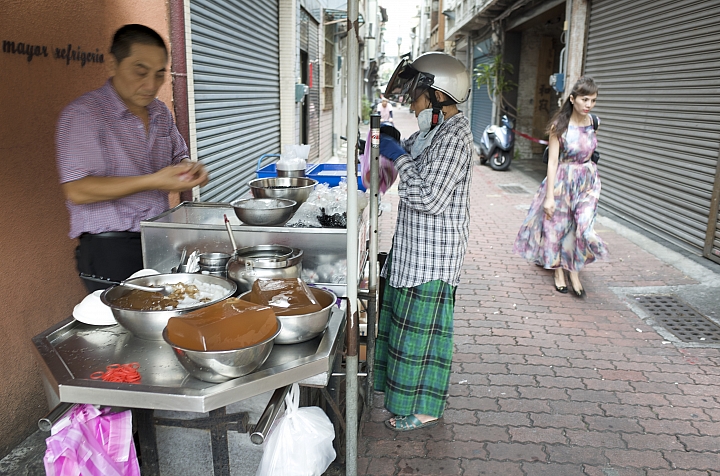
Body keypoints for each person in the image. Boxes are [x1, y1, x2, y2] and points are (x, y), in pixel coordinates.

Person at [56, 24, 208, 292]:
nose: (151, 85)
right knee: (120, 329)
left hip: (157, 239)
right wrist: (154, 181)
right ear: (113, 64)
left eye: (159, 74)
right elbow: (78, 190)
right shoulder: (84, 115)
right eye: (140, 72)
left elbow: (179, 156)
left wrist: (189, 170)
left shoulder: (160, 112)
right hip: (109, 248)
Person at [374, 52, 473, 431]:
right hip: (414, 249)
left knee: (425, 340)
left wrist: (397, 155)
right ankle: (407, 401)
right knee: (406, 331)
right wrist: (392, 142)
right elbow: (409, 159)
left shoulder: (456, 138)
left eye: (416, 93)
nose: (411, 101)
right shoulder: (432, 130)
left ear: (437, 94)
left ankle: (428, 409)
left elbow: (429, 197)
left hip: (433, 257)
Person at [513, 76, 608, 297]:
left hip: (587, 181)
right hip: (563, 181)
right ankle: (559, 271)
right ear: (573, 99)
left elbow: (589, 151)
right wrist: (549, 197)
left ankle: (574, 269)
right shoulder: (559, 127)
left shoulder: (594, 122)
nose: (589, 105)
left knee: (582, 226)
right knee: (558, 227)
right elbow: (553, 162)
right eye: (585, 100)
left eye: (593, 101)